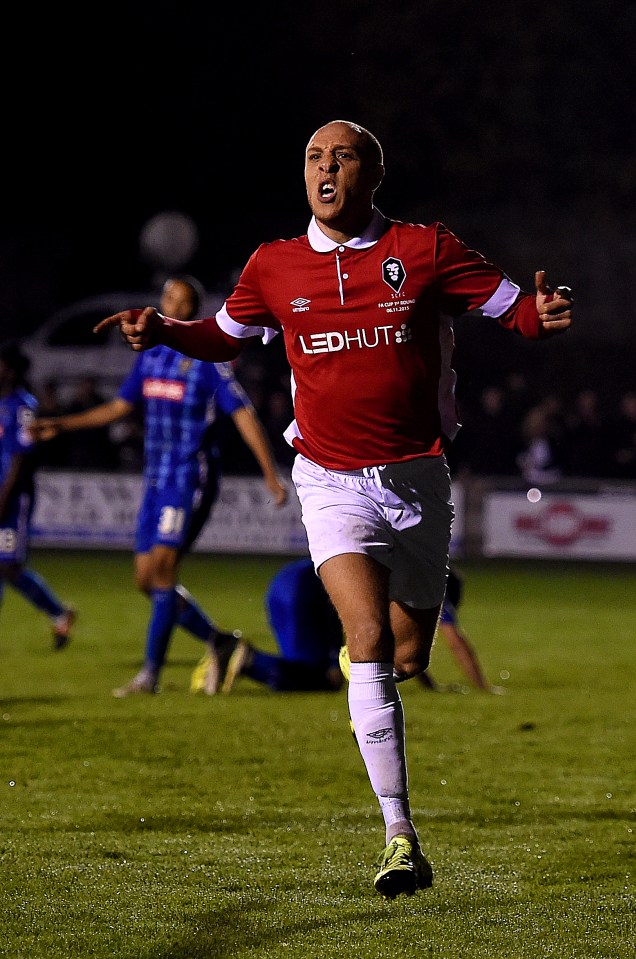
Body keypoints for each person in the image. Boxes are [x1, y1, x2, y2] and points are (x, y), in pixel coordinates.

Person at [95, 120, 573, 897]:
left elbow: (513, 305)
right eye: (313, 157)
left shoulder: (425, 250)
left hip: (417, 479)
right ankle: (398, 833)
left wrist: (542, 310)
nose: (324, 168)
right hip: (326, 478)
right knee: (368, 634)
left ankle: (365, 676)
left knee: (406, 656)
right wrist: (165, 333)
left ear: (373, 172)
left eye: (341, 156)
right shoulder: (273, 264)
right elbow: (223, 335)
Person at [31, 275, 288, 697]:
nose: (167, 303)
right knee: (145, 580)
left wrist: (270, 474)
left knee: (164, 572)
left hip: (190, 480)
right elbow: (118, 407)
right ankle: (220, 642)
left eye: (177, 299)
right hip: (155, 480)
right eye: (166, 296)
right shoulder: (150, 356)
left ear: (192, 310)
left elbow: (242, 414)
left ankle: (149, 676)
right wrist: (61, 424)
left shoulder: (207, 360)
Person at [0, 343, 76, 648]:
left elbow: (20, 457)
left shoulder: (23, 406)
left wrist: (3, 498)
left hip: (12, 498)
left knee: (9, 567)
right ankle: (60, 614)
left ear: (11, 370)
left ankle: (60, 613)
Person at [190, 556, 344, 694]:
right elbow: (336, 607)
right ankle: (249, 659)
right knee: (320, 678)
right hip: (304, 591)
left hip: (283, 584)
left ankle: (231, 655)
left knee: (302, 668)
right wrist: (333, 659)